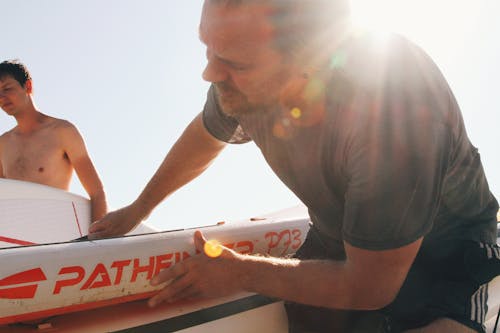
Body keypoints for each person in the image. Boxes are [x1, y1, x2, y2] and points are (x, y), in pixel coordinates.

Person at [88, 1, 500, 332]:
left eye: (234, 63)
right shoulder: (240, 78)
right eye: (207, 47)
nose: (210, 72)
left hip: (451, 256)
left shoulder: (393, 112)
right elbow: (205, 136)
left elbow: (370, 286)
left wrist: (240, 273)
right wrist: (138, 209)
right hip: (339, 239)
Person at [0, 60, 107, 222]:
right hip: (17, 239)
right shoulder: (3, 144)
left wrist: (97, 242)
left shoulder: (63, 132)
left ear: (28, 86)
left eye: (7, 89)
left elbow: (97, 193)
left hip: (52, 231)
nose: (2, 97)